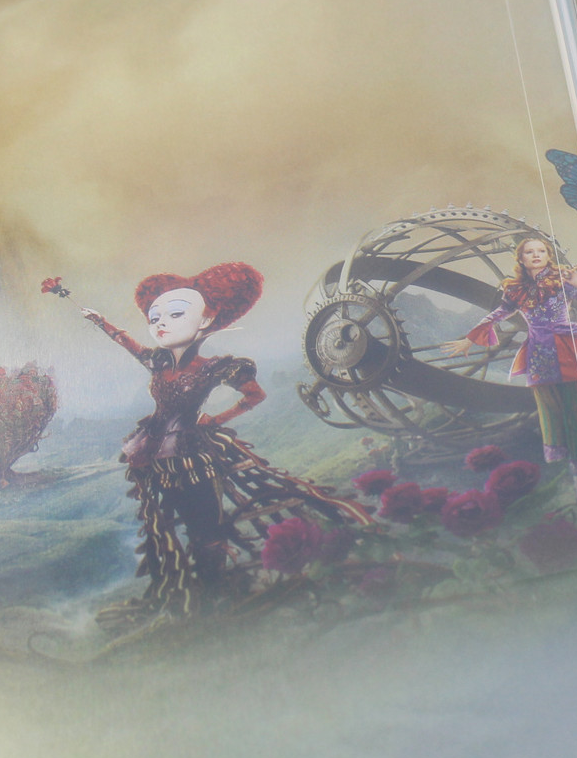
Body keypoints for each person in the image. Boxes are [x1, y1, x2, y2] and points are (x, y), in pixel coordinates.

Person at [82, 262, 369, 630]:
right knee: (170, 528)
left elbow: (255, 395)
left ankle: (214, 597)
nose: (161, 324)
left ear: (207, 318)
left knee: (206, 530)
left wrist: (216, 419)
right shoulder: (158, 362)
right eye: (154, 318)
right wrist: (100, 321)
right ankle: (187, 597)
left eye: (175, 314)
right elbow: (128, 343)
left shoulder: (214, 367)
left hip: (192, 455)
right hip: (154, 456)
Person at [446, 238, 577, 466]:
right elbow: (499, 313)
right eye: (529, 252)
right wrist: (470, 338)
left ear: (548, 255)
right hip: (539, 352)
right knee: (553, 404)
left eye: (541, 251)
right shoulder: (515, 289)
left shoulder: (563, 278)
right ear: (521, 259)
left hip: (570, 345)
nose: (536, 255)